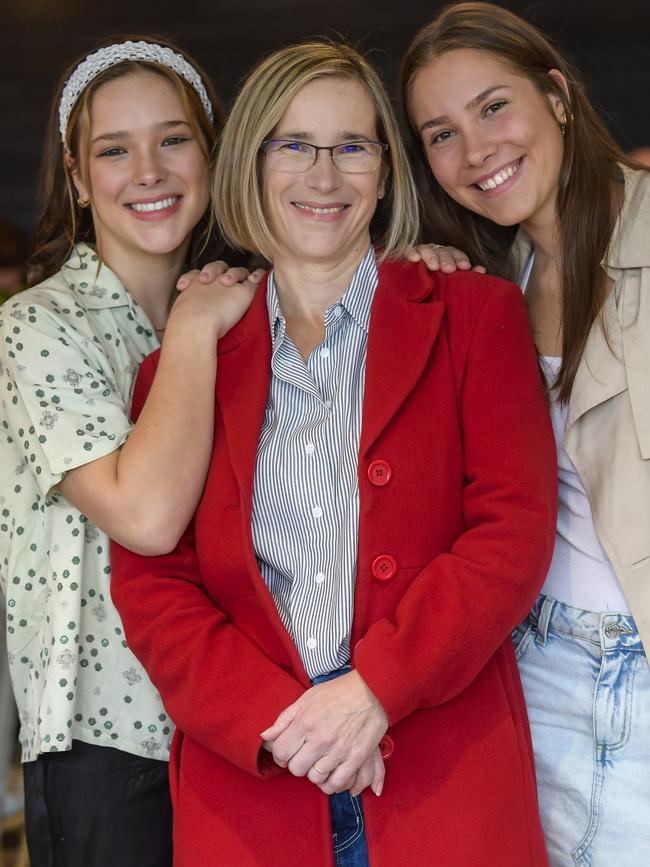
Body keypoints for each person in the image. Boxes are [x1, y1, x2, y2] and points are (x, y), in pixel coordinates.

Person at [110, 39, 557, 867]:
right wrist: (283, 724)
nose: (324, 177)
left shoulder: (474, 317)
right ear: (252, 163)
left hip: (444, 784)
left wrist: (376, 688)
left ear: (386, 172)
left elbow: (513, 532)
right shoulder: (183, 363)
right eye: (295, 146)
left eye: (353, 147)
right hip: (255, 794)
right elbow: (154, 586)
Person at [0, 36, 259, 867]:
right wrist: (191, 327)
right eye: (115, 150)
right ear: (78, 179)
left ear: (213, 156)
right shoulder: (35, 326)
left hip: (245, 715)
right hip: (106, 740)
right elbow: (146, 515)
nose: (148, 170)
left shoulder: (254, 306)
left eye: (173, 139)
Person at [401, 3, 650, 864]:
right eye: (441, 133)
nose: (475, 152)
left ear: (557, 94)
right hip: (526, 666)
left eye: (494, 107)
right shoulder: (491, 282)